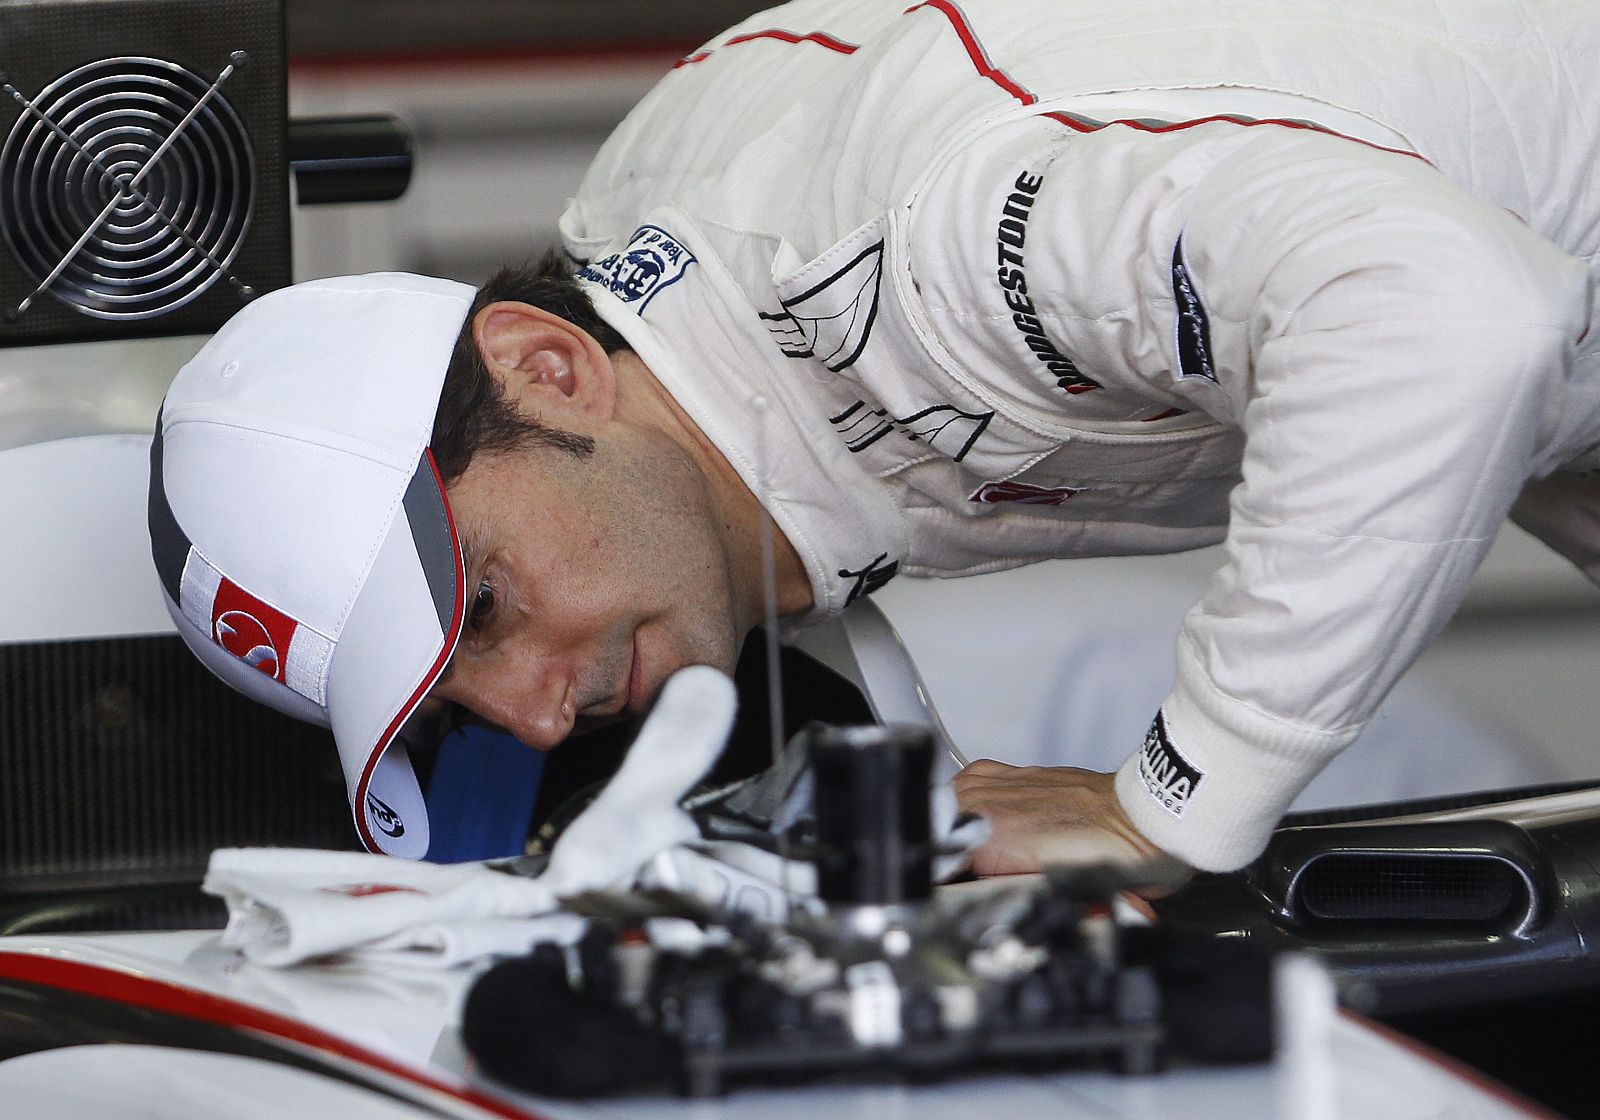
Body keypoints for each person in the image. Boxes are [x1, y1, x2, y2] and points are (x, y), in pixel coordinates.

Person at [148, 0, 1600, 874]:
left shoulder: (925, 260)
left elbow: (1455, 315)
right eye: (459, 701)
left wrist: (1176, 797)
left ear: (545, 368)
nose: (535, 714)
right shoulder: (666, 283)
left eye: (489, 605)